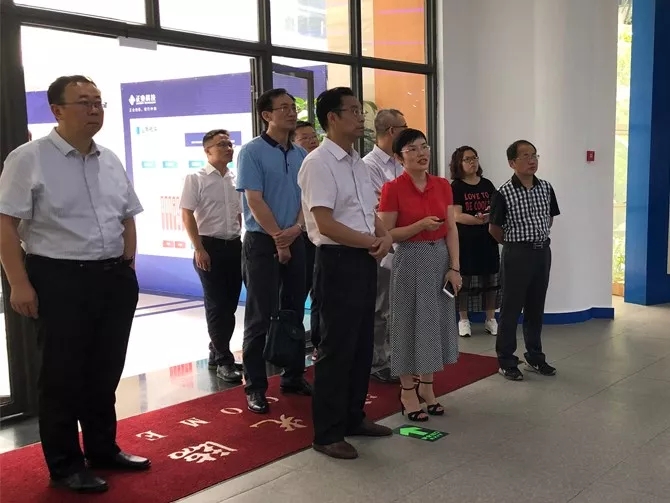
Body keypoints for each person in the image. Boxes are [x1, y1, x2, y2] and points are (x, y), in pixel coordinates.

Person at [0, 75, 149, 494]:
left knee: (105, 371)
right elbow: (5, 225)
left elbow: (126, 216)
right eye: (84, 102)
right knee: (62, 377)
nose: (94, 109)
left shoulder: (109, 159)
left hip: (113, 278)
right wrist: (18, 283)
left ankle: (103, 449)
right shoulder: (28, 158)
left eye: (98, 101)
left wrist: (128, 265)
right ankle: (65, 464)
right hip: (59, 278)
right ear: (57, 110)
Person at [298, 87, 394, 460]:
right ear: (333, 118)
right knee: (336, 349)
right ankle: (327, 433)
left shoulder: (357, 162)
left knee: (361, 344)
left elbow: (367, 211)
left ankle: (354, 417)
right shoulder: (318, 163)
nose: (360, 116)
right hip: (337, 261)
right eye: (353, 110)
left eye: (360, 110)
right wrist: (371, 241)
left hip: (364, 258)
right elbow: (324, 223)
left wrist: (383, 236)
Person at [236, 88, 312, 414]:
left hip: (295, 236)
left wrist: (295, 229)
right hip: (261, 241)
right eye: (283, 108)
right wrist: (278, 237)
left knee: (294, 309)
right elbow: (254, 199)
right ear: (267, 115)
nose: (291, 112)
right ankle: (255, 385)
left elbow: (306, 198)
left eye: (293, 107)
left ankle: (293, 376)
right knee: (260, 314)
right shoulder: (251, 152)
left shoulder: (299, 154)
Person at [377, 128, 461, 422]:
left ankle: (427, 386)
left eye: (424, 147)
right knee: (407, 323)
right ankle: (407, 391)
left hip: (440, 257)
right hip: (410, 258)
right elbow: (386, 234)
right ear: (399, 158)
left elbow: (451, 228)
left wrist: (455, 267)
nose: (421, 153)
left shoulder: (442, 185)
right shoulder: (393, 188)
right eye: (412, 149)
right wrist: (419, 226)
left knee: (433, 323)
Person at [489, 140, 560, 381]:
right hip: (516, 254)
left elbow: (549, 218)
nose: (532, 160)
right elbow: (494, 229)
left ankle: (535, 356)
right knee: (511, 309)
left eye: (535, 155)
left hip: (542, 253)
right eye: (526, 156)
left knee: (536, 307)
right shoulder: (503, 192)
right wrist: (516, 244)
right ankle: (506, 360)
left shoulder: (546, 188)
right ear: (512, 163)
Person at [180, 129, 243, 383]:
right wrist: (199, 248)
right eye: (221, 144)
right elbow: (187, 214)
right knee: (217, 304)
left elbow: (238, 214)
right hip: (209, 246)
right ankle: (224, 360)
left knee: (230, 304)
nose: (228, 148)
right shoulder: (196, 178)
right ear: (207, 151)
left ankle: (216, 351)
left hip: (234, 245)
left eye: (229, 144)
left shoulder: (234, 178)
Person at [362, 108, 407, 384]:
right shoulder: (369, 166)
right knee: (381, 304)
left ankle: (397, 356)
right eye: (404, 127)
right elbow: (379, 207)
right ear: (392, 131)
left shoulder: (401, 161)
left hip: (406, 241)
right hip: (382, 242)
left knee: (398, 304)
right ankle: (378, 360)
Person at [449, 146, 501, 337]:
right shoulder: (456, 187)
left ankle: (491, 319)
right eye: (468, 159)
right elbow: (456, 215)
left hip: (488, 240)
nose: (473, 162)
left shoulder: (487, 184)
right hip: (466, 241)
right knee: (465, 282)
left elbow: (496, 208)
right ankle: (463, 320)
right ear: (459, 163)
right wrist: (478, 220)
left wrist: (488, 217)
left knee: (491, 280)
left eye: (475, 158)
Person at [292, 120, 320, 359]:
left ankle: (319, 343)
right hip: (297, 236)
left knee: (320, 292)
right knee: (296, 292)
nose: (312, 141)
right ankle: (291, 344)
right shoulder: (294, 169)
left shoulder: (322, 166)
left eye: (314, 136)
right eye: (305, 138)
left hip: (321, 239)